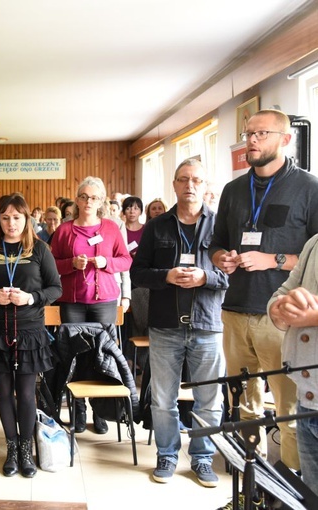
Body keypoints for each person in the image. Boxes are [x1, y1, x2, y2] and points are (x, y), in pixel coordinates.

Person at [210, 109, 318, 472]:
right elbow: (217, 242)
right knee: (243, 405)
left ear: (285, 140)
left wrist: (272, 259)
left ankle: (291, 488)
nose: (251, 140)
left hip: (282, 318)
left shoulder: (309, 188)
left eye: (261, 134)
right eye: (248, 133)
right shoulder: (232, 189)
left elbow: (313, 254)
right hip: (235, 310)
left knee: (288, 413)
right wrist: (221, 258)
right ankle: (249, 482)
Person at [131, 159, 228, 487]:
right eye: (184, 180)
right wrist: (166, 275)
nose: (190, 185)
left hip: (207, 325)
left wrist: (205, 277)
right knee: (162, 398)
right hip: (165, 325)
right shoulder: (157, 227)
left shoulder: (220, 226)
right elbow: (138, 272)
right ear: (174, 185)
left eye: (197, 180)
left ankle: (202, 458)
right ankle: (167, 455)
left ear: (205, 186)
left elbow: (231, 275)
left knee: (210, 399)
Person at [0, 193, 62, 478]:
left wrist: (31, 298)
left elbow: (55, 288)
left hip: (30, 331)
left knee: (27, 393)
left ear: (27, 219)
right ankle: (11, 448)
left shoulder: (40, 249)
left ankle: (26, 449)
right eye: (5, 217)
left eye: (17, 217)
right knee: (4, 392)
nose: (11, 223)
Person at [50, 176, 132, 434]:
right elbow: (50, 267)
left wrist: (107, 263)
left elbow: (126, 260)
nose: (88, 201)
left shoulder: (110, 228)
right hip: (73, 302)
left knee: (102, 355)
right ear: (76, 199)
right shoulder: (64, 230)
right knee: (74, 355)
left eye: (94, 197)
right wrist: (70, 264)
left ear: (101, 201)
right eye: (84, 196)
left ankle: (101, 411)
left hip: (105, 300)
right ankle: (78, 409)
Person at [268, 234, 318, 492]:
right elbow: (282, 294)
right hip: (307, 395)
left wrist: (312, 316)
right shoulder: (314, 243)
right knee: (311, 494)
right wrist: (280, 308)